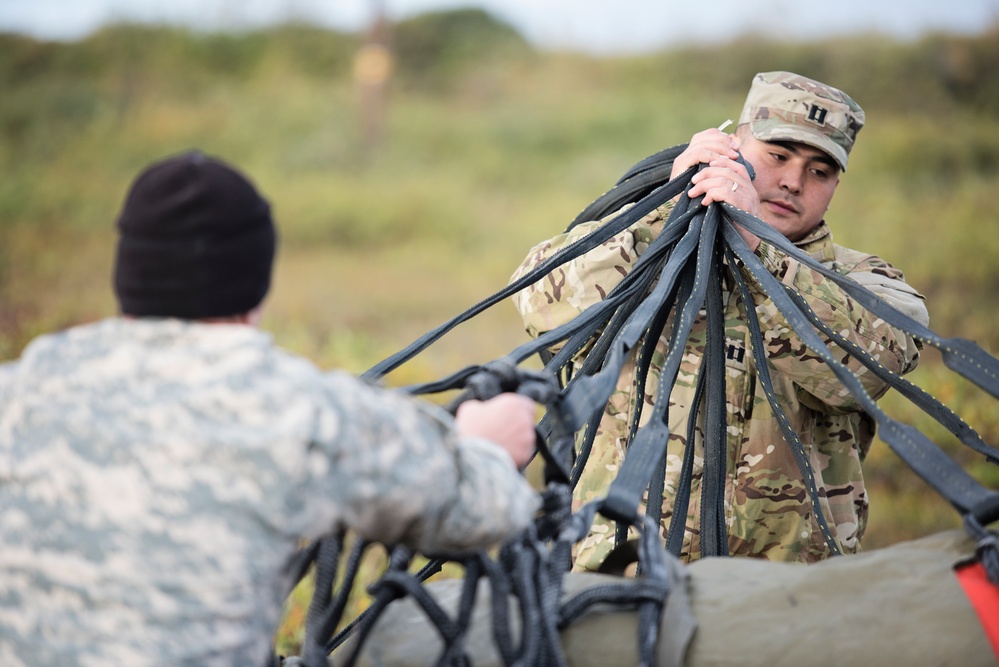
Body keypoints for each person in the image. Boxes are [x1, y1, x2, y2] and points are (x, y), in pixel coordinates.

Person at [0, 151, 541, 666]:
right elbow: (481, 512)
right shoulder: (304, 411)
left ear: (127, 275)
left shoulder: (18, 390)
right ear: (254, 284)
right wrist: (486, 447)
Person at [510, 71, 929, 569]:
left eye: (819, 171)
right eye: (777, 156)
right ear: (733, 147)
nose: (793, 181)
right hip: (616, 573)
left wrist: (761, 254)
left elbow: (862, 368)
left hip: (785, 593)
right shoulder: (639, 242)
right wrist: (661, 216)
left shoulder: (863, 283)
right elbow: (538, 301)